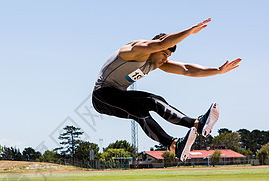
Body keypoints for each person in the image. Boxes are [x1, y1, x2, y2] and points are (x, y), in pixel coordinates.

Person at [92, 18, 241, 161]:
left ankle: (196, 125)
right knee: (138, 111)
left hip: (118, 94)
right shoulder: (135, 51)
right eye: (164, 54)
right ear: (155, 48)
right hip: (101, 96)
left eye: (168, 56)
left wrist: (218, 70)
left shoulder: (157, 62)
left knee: (154, 101)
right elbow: (160, 43)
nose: (165, 59)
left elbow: (186, 69)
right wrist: (189, 31)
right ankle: (174, 145)